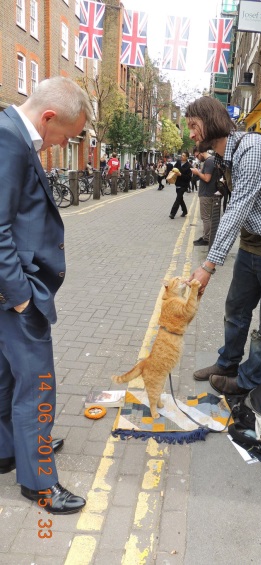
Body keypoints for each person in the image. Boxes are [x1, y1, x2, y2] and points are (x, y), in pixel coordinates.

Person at [0, 76, 92, 514]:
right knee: (37, 386)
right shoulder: (10, 140)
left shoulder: (9, 132)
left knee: (5, 378)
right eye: (65, 136)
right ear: (49, 117)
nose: (60, 144)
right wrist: (20, 295)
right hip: (15, 290)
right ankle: (39, 482)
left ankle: (8, 450)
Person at [185, 96, 261, 396]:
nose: (190, 134)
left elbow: (238, 208)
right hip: (252, 245)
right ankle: (227, 363)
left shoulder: (252, 150)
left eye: (193, 126)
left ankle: (248, 380)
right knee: (236, 309)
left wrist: (208, 266)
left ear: (210, 120)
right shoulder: (226, 155)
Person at [191, 150, 220, 246]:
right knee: (208, 217)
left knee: (206, 217)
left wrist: (197, 172)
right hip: (209, 193)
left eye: (197, 156)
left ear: (201, 152)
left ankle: (207, 238)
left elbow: (207, 178)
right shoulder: (212, 160)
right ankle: (206, 236)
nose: (197, 158)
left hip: (207, 194)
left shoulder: (209, 161)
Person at [169, 151, 192, 219]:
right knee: (180, 198)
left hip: (184, 185)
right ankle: (185, 211)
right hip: (177, 183)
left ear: (187, 157)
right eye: (182, 155)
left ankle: (172, 213)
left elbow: (188, 178)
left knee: (178, 198)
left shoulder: (189, 166)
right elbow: (173, 168)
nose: (182, 156)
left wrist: (181, 174)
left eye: (183, 155)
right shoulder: (178, 162)